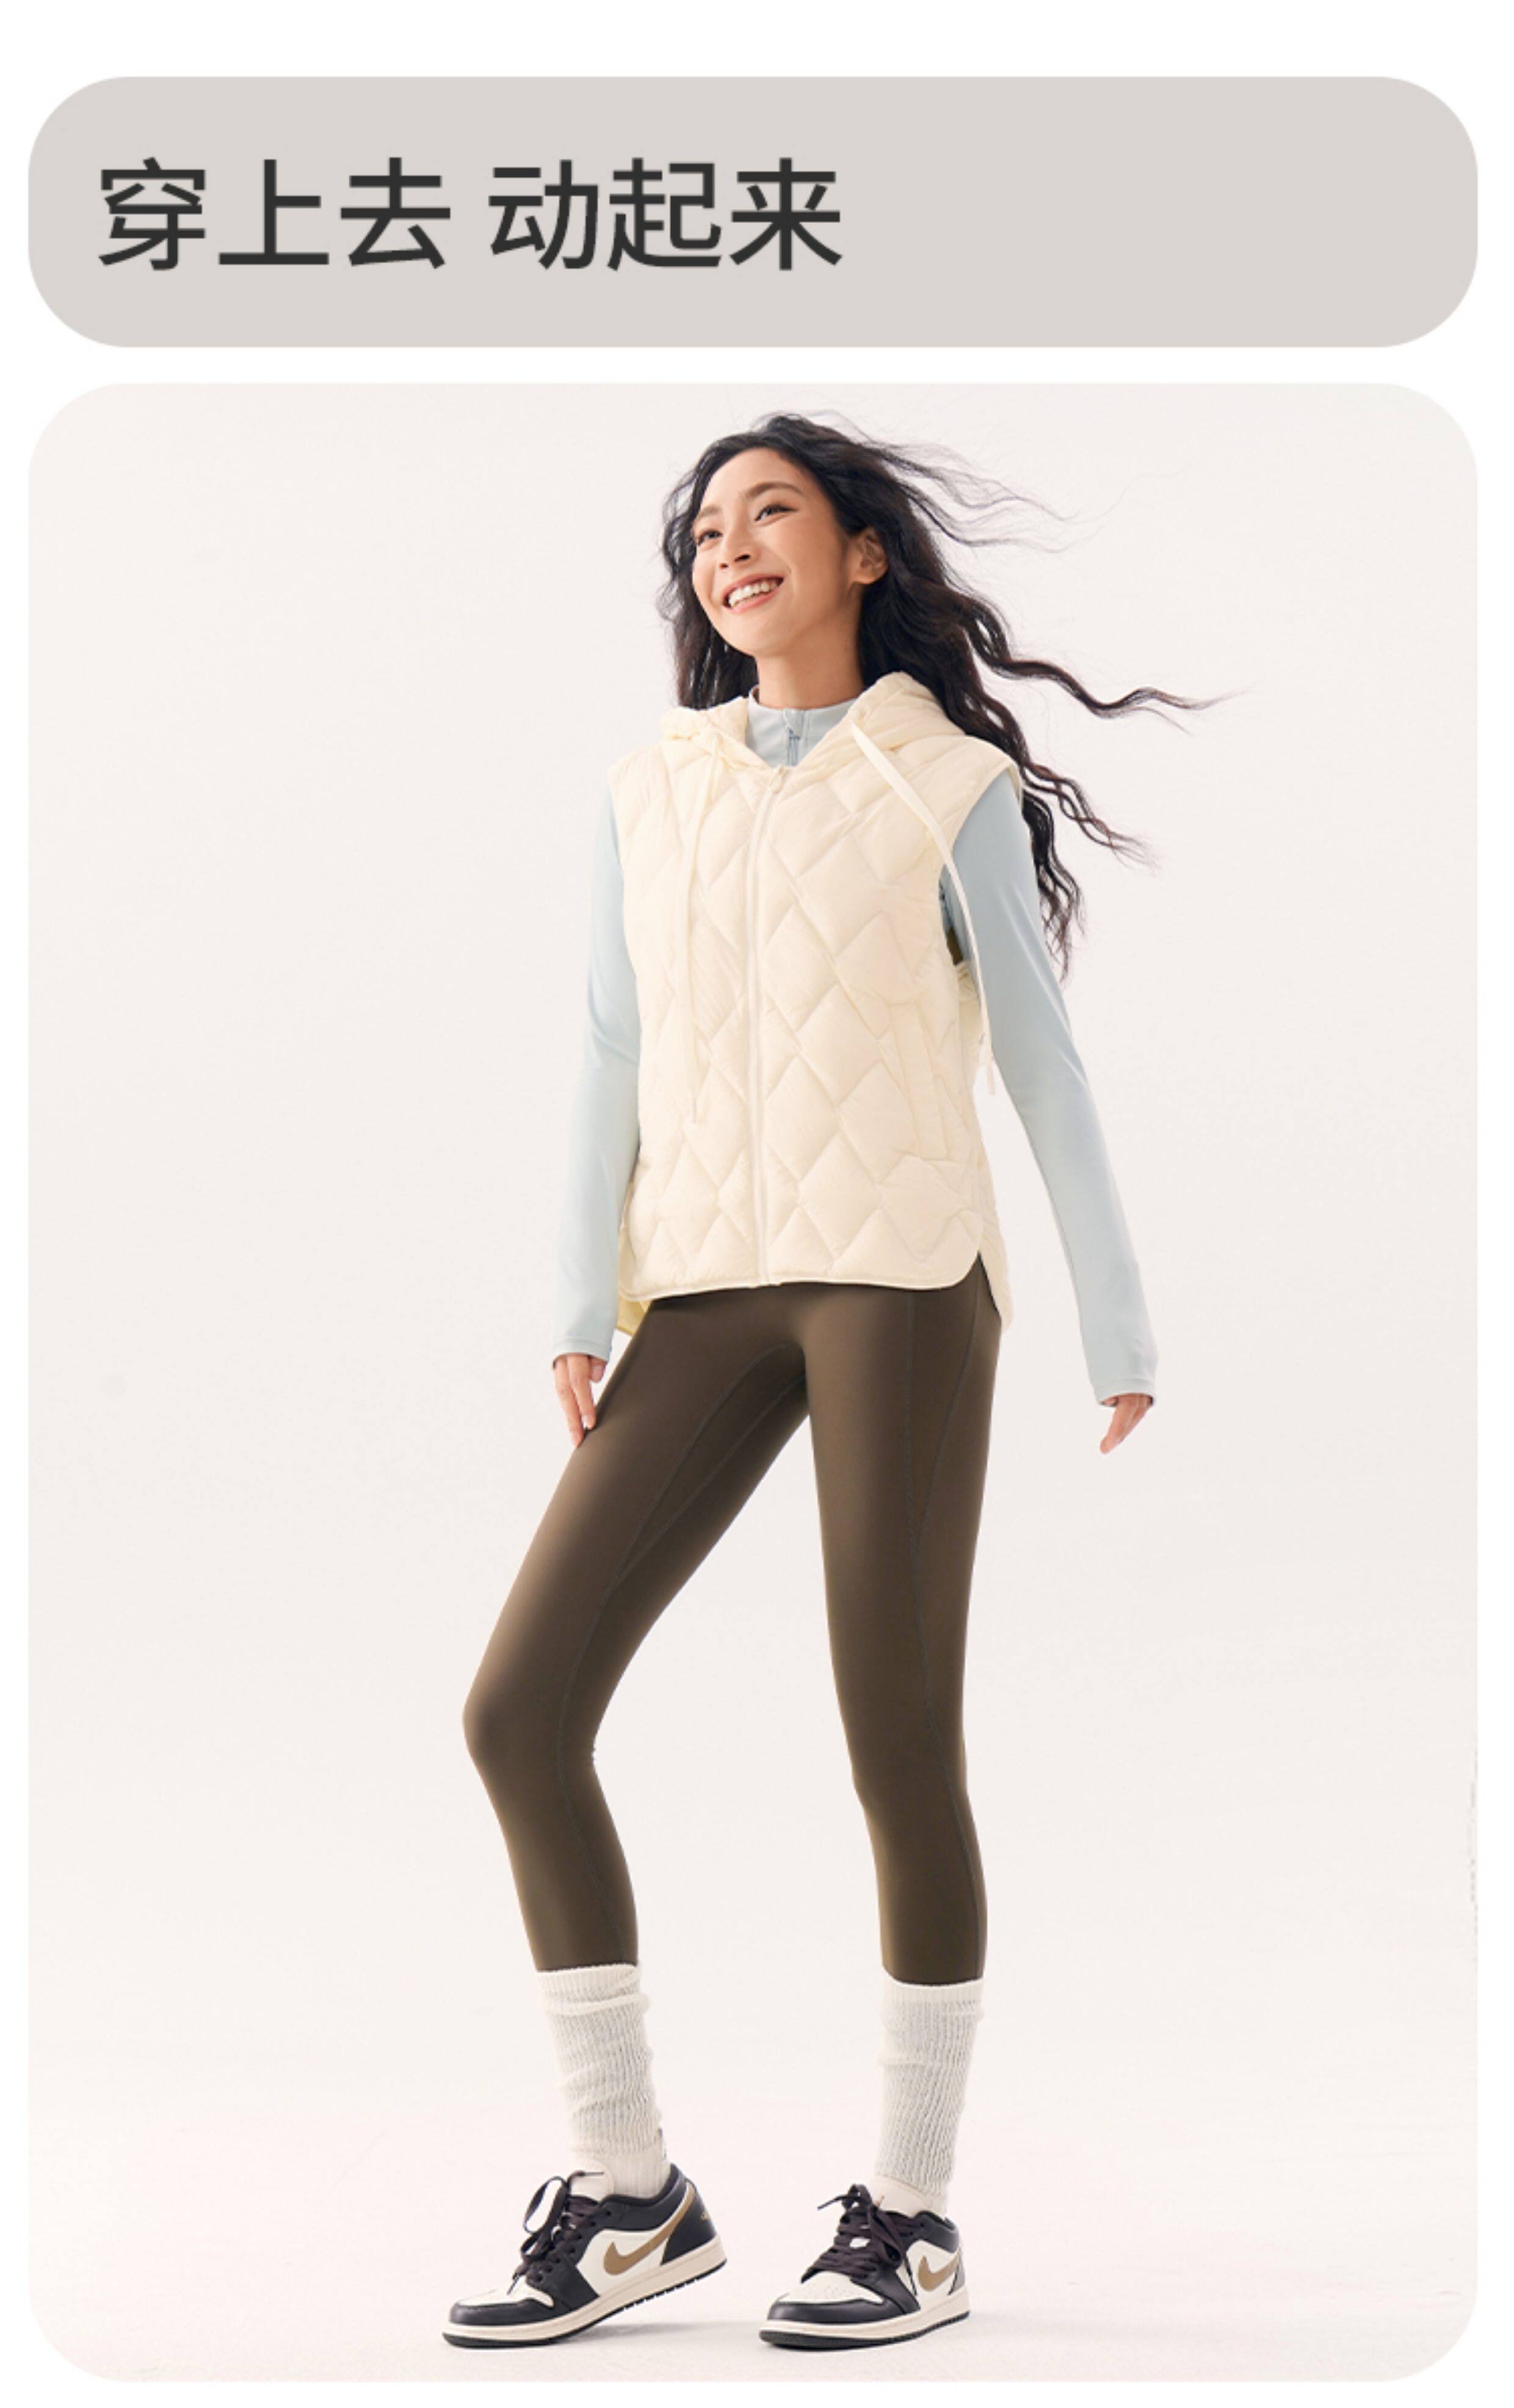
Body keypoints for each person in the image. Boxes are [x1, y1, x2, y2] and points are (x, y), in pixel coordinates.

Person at [446, 412, 1201, 2352]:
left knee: (894, 1737)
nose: (730, 547)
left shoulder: (949, 782)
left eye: (769, 511)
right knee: (519, 1711)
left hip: (901, 1279)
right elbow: (606, 1048)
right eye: (706, 529)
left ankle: (913, 2217)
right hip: (703, 1286)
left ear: (864, 553)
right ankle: (631, 2193)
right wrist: (579, 1300)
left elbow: (1040, 1062)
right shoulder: (652, 787)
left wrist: (1116, 1323)